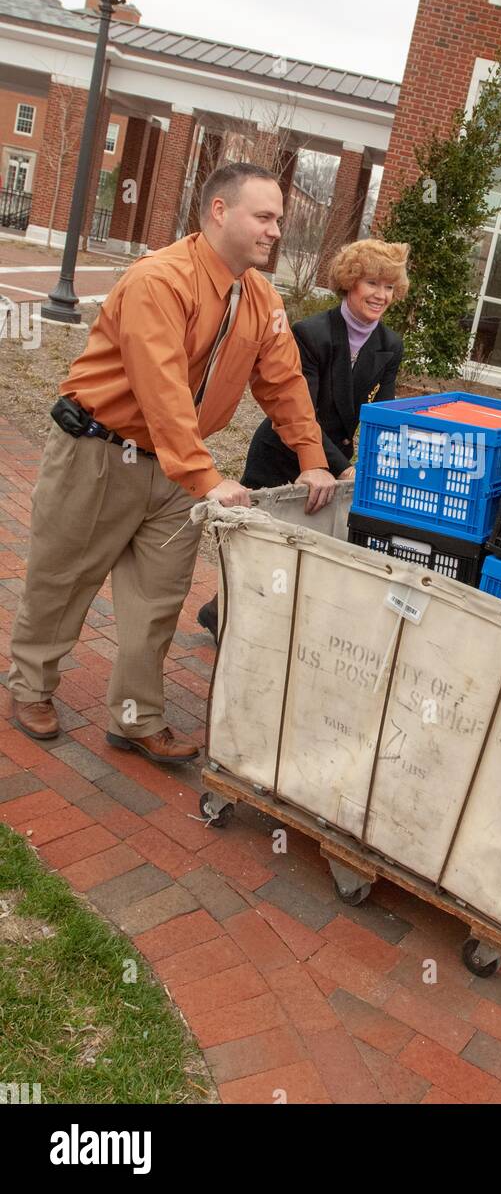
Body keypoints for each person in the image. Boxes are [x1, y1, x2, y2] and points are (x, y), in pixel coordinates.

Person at [6, 162, 336, 763]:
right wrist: (207, 476)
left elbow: (284, 381)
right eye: (263, 217)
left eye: (278, 221)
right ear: (219, 211)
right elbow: (160, 388)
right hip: (101, 453)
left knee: (157, 602)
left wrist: (312, 458)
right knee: (62, 580)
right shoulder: (159, 280)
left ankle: (134, 718)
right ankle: (30, 687)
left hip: (178, 474)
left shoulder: (260, 298)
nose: (274, 232)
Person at [197, 237, 408, 639]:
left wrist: (379, 461)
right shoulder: (312, 333)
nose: (381, 295)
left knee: (307, 548)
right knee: (260, 543)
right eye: (372, 284)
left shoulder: (390, 345)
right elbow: (301, 413)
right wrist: (344, 468)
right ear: (350, 283)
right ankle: (221, 610)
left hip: (334, 461)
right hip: (283, 451)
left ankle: (236, 615)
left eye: (389, 287)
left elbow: (385, 415)